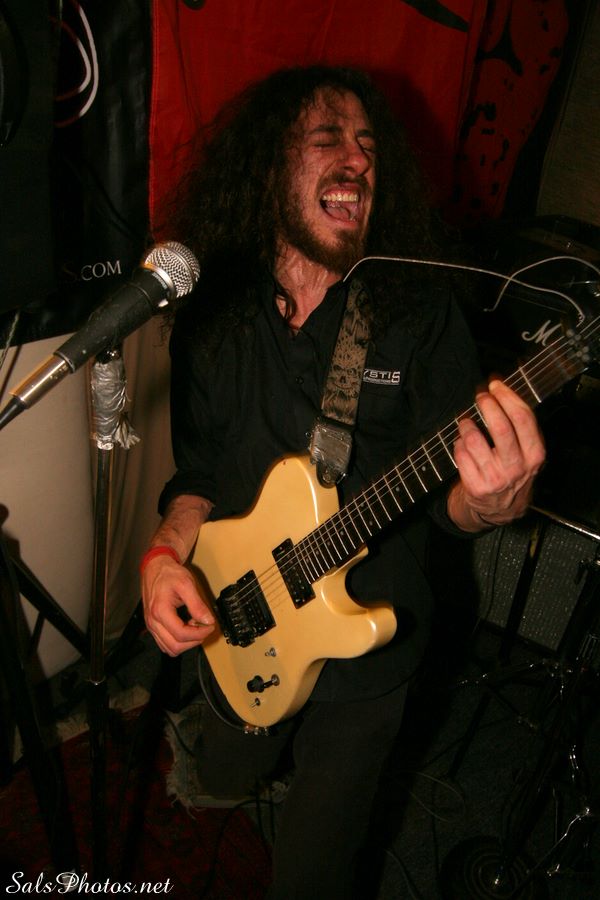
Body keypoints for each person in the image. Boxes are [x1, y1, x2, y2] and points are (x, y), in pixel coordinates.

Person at [141, 65, 545, 898]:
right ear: (267, 168)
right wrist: (163, 555)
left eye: (367, 146)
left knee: (315, 868)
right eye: (327, 139)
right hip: (239, 598)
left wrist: (488, 502)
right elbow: (199, 472)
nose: (356, 161)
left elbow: (451, 503)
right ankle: (226, 767)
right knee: (229, 758)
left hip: (369, 647)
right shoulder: (213, 309)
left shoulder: (417, 311)